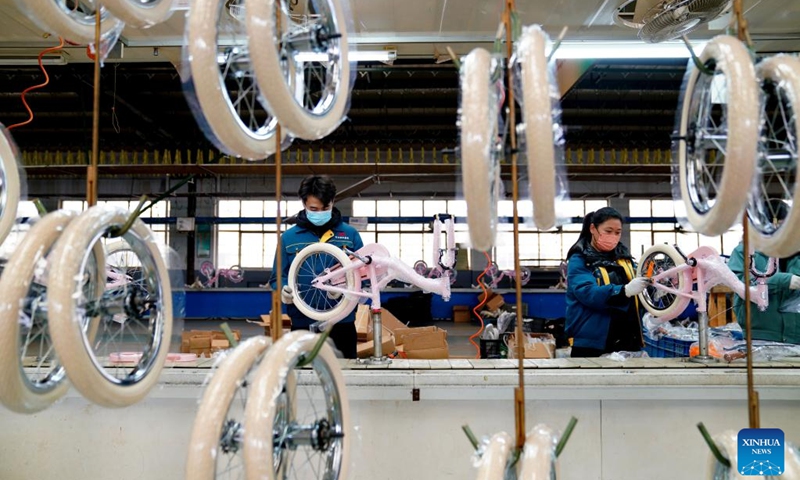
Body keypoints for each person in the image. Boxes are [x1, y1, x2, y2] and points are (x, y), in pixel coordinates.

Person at [270, 175, 363, 358]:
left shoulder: (350, 235)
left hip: (341, 322)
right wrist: (283, 290)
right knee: (303, 372)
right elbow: (277, 277)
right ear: (304, 203)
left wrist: (344, 288)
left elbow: (362, 275)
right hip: (302, 322)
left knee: (343, 372)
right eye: (313, 209)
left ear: (333, 202)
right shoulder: (289, 238)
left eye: (325, 208)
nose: (319, 213)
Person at [564, 207, 649, 357]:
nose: (613, 237)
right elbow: (587, 293)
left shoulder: (624, 258)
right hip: (592, 343)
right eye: (608, 231)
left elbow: (638, 290)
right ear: (593, 229)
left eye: (617, 232)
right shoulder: (580, 259)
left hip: (628, 340)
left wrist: (654, 287)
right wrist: (624, 291)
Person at [727, 200, 800, 344]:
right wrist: (783, 280)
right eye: (777, 225)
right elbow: (739, 284)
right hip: (760, 337)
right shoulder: (745, 252)